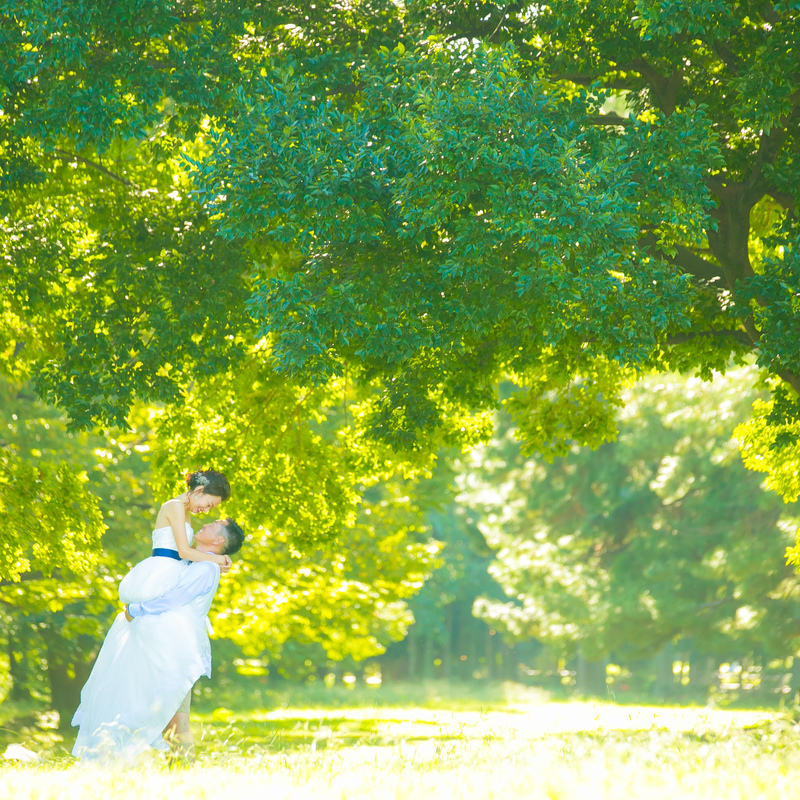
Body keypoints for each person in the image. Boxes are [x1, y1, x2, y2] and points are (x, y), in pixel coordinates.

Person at [71, 517, 245, 762]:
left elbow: (177, 598)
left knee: (177, 717)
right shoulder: (198, 563)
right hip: (166, 644)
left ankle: (184, 770)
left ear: (218, 540)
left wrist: (138, 609)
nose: (205, 524)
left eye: (212, 525)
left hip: (176, 647)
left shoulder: (205, 568)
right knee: (169, 715)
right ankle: (178, 769)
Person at [119, 469, 233, 606]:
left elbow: (191, 553)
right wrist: (219, 559)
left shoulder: (185, 512)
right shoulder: (175, 506)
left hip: (176, 571)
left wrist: (218, 563)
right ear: (199, 491)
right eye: (209, 505)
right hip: (161, 571)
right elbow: (184, 552)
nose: (207, 510)